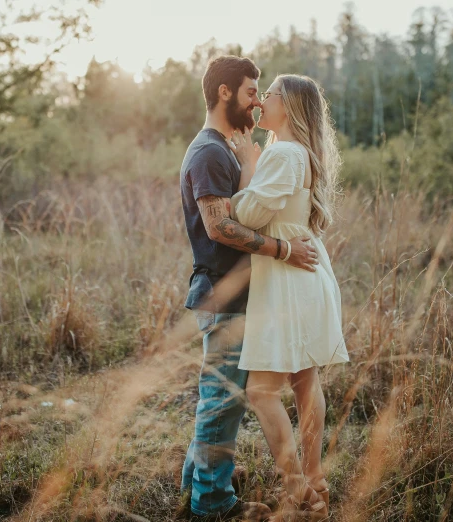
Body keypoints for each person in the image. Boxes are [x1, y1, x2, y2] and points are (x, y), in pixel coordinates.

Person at [179, 56, 319, 521]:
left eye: (261, 93)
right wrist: (283, 249)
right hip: (225, 294)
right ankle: (212, 505)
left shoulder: (225, 150)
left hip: (236, 294)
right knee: (223, 401)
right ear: (224, 93)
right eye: (250, 92)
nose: (257, 101)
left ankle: (193, 486)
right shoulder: (209, 153)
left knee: (218, 397)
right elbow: (219, 227)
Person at [226, 74, 350, 520]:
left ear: (289, 105)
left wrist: (246, 166)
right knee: (305, 381)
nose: (261, 100)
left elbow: (248, 213)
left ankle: (298, 489)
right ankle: (317, 483)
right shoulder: (306, 155)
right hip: (308, 275)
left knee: (261, 392)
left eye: (270, 94)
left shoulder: (281, 153)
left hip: (286, 280)